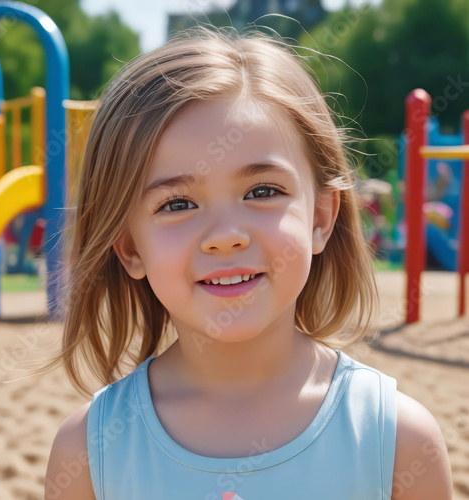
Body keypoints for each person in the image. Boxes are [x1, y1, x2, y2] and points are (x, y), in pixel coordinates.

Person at [43, 25, 452, 500]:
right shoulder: (88, 453)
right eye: (176, 204)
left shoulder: (398, 440)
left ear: (321, 217)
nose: (225, 237)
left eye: (262, 192)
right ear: (130, 247)